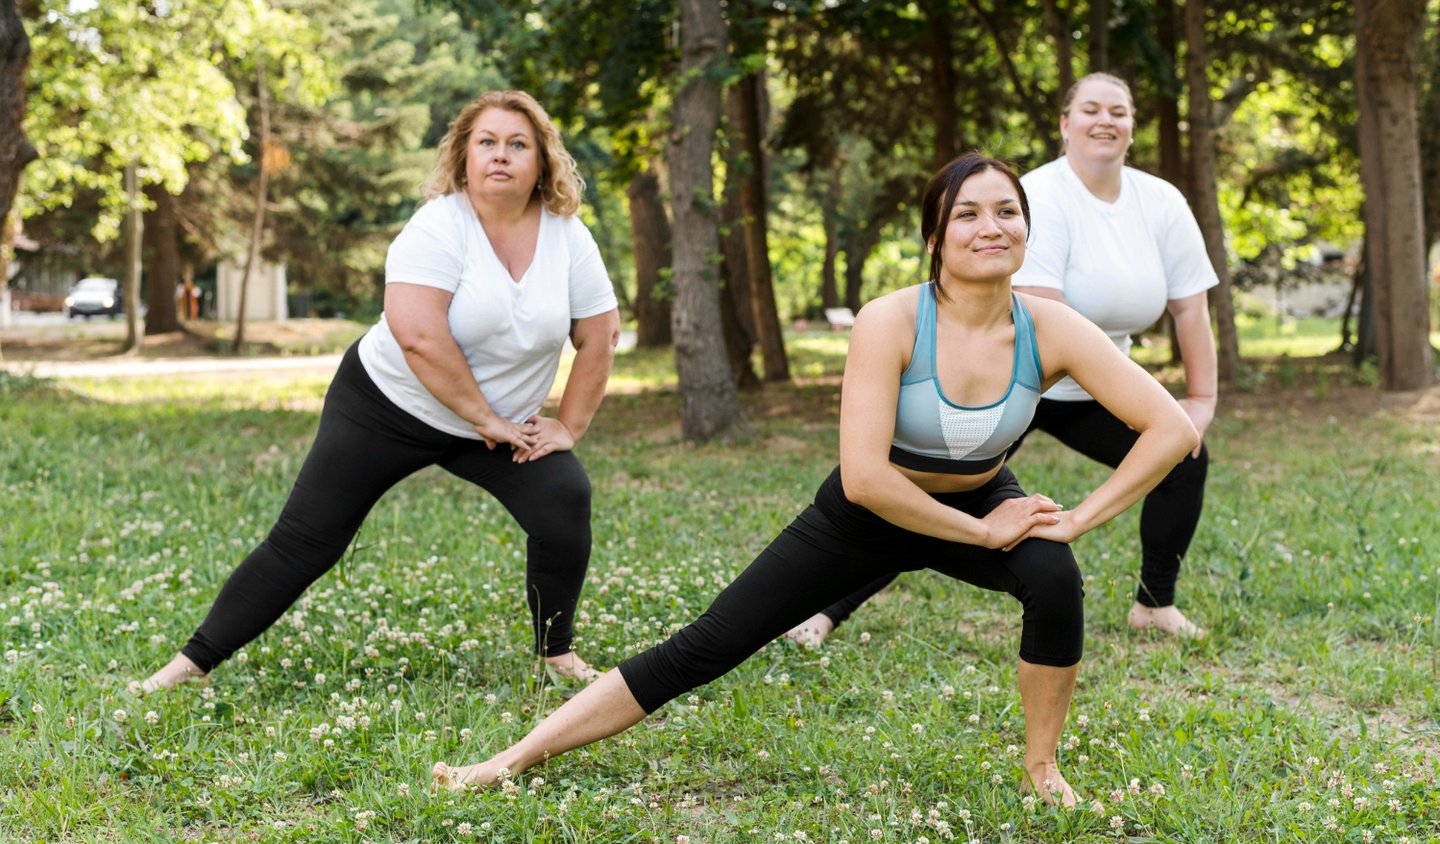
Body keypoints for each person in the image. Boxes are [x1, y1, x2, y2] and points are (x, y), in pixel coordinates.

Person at [431, 153, 1199, 805]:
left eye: (1007, 211)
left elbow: (1172, 428)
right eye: (967, 214)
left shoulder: (1053, 328)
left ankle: (1041, 767)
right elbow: (866, 479)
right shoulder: (891, 321)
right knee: (703, 647)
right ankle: (506, 762)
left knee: (1055, 577)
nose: (990, 227)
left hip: (977, 494)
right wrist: (981, 532)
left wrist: (1076, 519)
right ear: (935, 236)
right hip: (864, 516)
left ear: (1028, 231)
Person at [139, 90, 621, 693]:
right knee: (306, 542)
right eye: (487, 142)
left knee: (564, 499)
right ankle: (188, 667)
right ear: (465, 157)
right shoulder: (440, 226)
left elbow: (599, 337)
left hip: (497, 424)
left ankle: (557, 656)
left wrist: (568, 427)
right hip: (388, 406)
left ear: (543, 162)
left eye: (518, 144)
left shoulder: (567, 237)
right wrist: (485, 419)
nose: (502, 155)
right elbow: (418, 334)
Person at [786, 73, 1218, 647]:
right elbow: (1042, 317)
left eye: (1119, 110)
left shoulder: (1160, 201)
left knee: (1186, 457)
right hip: (1017, 379)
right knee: (936, 484)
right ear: (1065, 124)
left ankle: (1155, 604)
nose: (1105, 120)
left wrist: (1201, 400)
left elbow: (1191, 307)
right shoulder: (1031, 196)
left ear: (1134, 125)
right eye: (1090, 109)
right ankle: (827, 609)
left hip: (1093, 384)